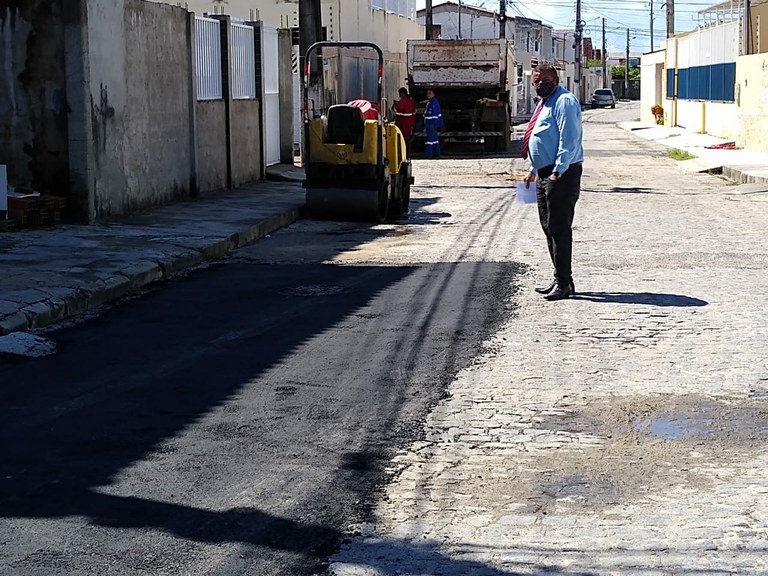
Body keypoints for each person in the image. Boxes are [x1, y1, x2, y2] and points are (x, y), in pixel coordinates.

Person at [521, 64, 584, 301]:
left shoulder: (564, 101)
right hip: (543, 173)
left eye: (543, 81)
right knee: (547, 227)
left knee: (559, 228)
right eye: (535, 81)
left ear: (555, 79)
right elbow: (542, 137)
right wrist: (533, 170)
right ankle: (560, 277)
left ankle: (564, 283)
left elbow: (569, 138)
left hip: (561, 174)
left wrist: (558, 169)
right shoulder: (544, 102)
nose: (538, 85)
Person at [423, 89, 443, 159]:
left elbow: (434, 115)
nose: (428, 95)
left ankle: (429, 154)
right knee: (435, 140)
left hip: (431, 123)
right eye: (427, 93)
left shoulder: (433, 103)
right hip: (431, 123)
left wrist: (433, 124)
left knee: (429, 140)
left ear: (433, 94)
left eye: (430, 93)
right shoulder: (430, 102)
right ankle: (436, 153)